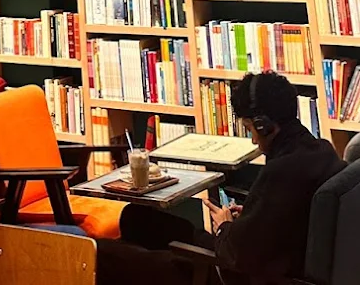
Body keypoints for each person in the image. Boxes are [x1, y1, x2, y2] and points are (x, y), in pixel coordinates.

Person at [97, 71, 343, 285]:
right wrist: (250, 215)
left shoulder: (281, 171)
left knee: (104, 254)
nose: (253, 140)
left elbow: (238, 257)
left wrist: (225, 225)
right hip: (265, 252)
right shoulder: (319, 149)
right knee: (135, 217)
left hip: (228, 272)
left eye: (250, 129)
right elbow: (284, 215)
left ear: (264, 125)